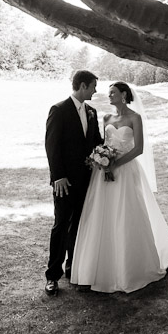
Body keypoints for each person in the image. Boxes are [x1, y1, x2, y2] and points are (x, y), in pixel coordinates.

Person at [70, 82, 168, 293]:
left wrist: (115, 164)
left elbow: (138, 148)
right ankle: (100, 266)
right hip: (103, 172)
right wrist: (102, 160)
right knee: (102, 214)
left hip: (126, 170)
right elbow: (105, 143)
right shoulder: (106, 118)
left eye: (113, 92)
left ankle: (131, 267)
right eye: (109, 92)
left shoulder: (134, 118)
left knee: (127, 213)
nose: (109, 95)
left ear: (123, 95)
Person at [44, 70, 103, 297]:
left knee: (78, 225)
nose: (95, 91)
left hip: (87, 181)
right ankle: (52, 276)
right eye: (93, 86)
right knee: (61, 226)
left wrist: (108, 154)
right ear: (82, 86)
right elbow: (52, 146)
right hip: (65, 182)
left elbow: (96, 141)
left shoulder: (92, 112)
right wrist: (58, 176)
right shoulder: (58, 110)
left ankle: (73, 267)